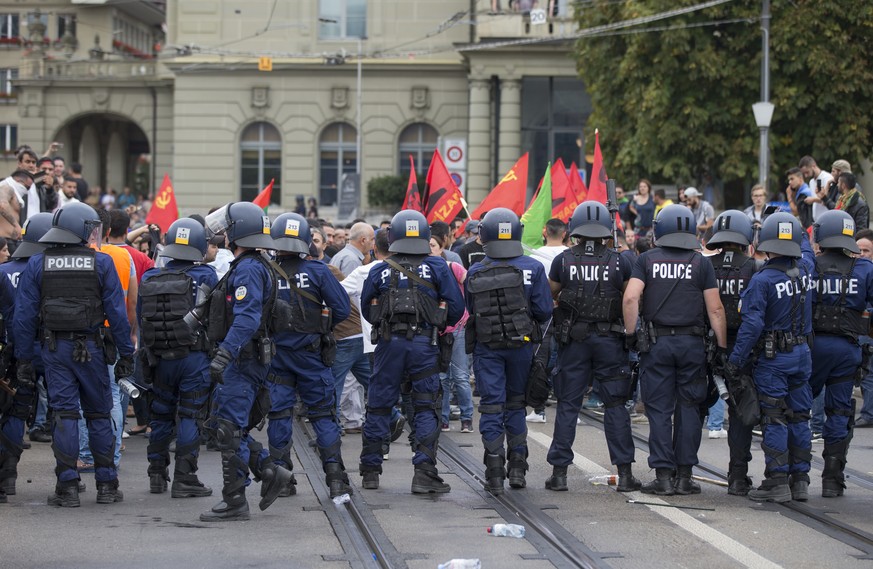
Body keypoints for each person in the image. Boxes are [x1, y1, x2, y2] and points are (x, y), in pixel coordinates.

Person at [13, 202, 136, 507]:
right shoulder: (102, 263)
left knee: (65, 415)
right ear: (83, 229)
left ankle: (67, 486)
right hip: (92, 349)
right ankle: (107, 485)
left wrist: (24, 359)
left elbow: (24, 317)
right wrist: (126, 354)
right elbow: (117, 315)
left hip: (55, 350)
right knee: (98, 413)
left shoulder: (37, 264)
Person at [622, 204, 727, 495]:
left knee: (658, 410)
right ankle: (685, 476)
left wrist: (631, 336)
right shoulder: (701, 263)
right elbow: (715, 309)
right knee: (689, 409)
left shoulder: (646, 260)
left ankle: (663, 476)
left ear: (659, 229)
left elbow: (631, 299)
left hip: (657, 345)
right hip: (693, 345)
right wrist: (720, 347)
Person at [359, 210, 465, 493]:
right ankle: (424, 472)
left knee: (379, 404)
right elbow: (456, 309)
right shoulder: (439, 267)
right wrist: (436, 323)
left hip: (388, 345)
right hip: (424, 345)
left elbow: (367, 309)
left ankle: (370, 471)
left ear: (392, 236)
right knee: (426, 405)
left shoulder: (379, 269)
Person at [200, 202, 293, 522]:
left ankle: (235, 501)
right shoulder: (250, 265)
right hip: (246, 358)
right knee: (224, 425)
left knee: (228, 429)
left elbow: (247, 319)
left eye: (227, 230)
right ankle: (268, 470)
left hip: (243, 359)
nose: (223, 235)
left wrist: (225, 353)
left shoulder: (250, 268)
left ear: (238, 233)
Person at [545, 202, 639, 492]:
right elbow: (629, 298)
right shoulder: (621, 261)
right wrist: (631, 334)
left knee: (568, 404)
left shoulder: (563, 260)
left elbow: (550, 293)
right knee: (615, 406)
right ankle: (624, 474)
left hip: (574, 341)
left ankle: (559, 474)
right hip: (610, 341)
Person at [725, 212, 814, 503]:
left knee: (774, 418)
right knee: (800, 416)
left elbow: (752, 326)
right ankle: (800, 479)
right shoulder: (805, 273)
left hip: (775, 359)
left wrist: (735, 361)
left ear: (765, 244)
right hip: (802, 355)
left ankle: (776, 480)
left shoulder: (762, 281)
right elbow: (809, 252)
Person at [466, 208, 552, 495]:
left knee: (491, 406)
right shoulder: (534, 268)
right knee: (516, 404)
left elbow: (470, 311)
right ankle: (517, 468)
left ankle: (493, 472)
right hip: (522, 346)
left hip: (487, 348)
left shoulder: (476, 270)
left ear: (485, 235)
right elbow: (543, 311)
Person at [266, 213, 353, 498]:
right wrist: (321, 327)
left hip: (277, 356)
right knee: (323, 416)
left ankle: (281, 478)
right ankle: (336, 478)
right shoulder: (318, 271)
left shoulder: (265, 271)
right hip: (312, 355)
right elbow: (342, 308)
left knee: (279, 415)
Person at [138, 218, 217, 498]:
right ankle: (185, 478)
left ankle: (156, 474)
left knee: (160, 416)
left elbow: (141, 318)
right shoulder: (207, 276)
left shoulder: (149, 276)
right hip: (194, 357)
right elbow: (216, 319)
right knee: (190, 416)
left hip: (159, 358)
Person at [809, 210, 873, 498]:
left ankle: (793, 476)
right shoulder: (865, 269)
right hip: (847, 349)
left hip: (810, 348)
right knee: (839, 412)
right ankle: (832, 479)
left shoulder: (810, 265)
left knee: (795, 411)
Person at [703, 210, 760, 495]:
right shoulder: (754, 267)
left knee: (691, 407)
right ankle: (737, 476)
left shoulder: (703, 265)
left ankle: (680, 473)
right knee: (740, 413)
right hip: (743, 348)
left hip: (705, 344)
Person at [0, 213, 54, 503]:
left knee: (13, 412)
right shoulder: (52, 270)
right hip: (50, 351)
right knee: (62, 410)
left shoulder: (4, 271)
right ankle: (67, 478)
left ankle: (7, 477)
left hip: (13, 353)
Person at [429, 234, 473, 433]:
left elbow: (471, 285)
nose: (429, 249)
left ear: (441, 248)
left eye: (433, 245)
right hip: (437, 330)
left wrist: (468, 313)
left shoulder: (452, 267)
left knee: (461, 376)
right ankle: (443, 418)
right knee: (442, 378)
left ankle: (467, 418)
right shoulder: (425, 270)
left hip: (459, 327)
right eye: (427, 245)